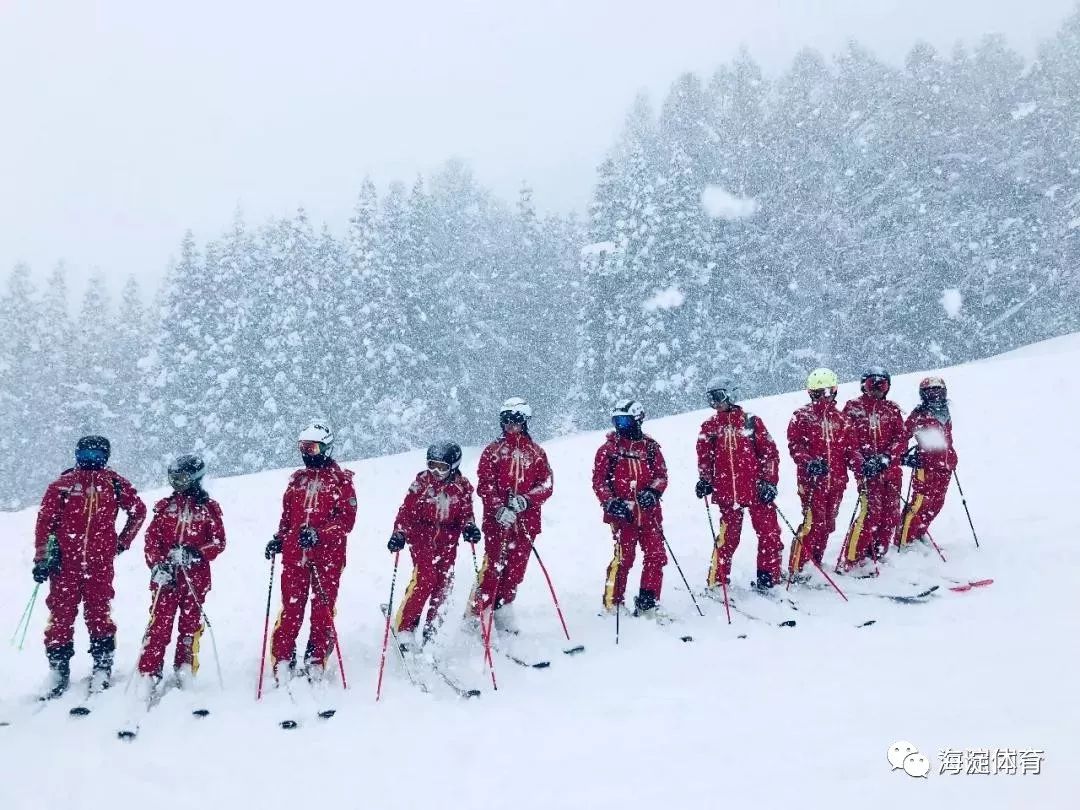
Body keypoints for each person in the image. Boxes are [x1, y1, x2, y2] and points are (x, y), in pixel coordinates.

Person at [32, 435, 146, 698]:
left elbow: (138, 511)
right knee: (61, 615)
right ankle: (58, 668)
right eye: (86, 455)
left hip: (99, 565)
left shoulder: (114, 483)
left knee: (99, 613)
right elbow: (44, 524)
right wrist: (42, 559)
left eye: (97, 456)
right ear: (77, 455)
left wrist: (122, 542)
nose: (91, 461)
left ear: (106, 457)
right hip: (64, 565)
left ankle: (102, 664)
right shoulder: (63, 485)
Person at [264, 424, 356, 685]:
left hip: (327, 558)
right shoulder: (297, 481)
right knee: (292, 609)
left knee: (322, 609)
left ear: (326, 448)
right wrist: (279, 539)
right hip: (295, 557)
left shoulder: (341, 482)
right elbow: (287, 518)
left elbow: (346, 521)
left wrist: (320, 533)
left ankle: (316, 658)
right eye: (303, 448)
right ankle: (283, 657)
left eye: (312, 448)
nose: (307, 454)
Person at [135, 455, 226, 697]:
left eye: (182, 478)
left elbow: (218, 542)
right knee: (159, 625)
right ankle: (149, 671)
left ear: (195, 479)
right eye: (173, 478)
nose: (177, 483)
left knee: (190, 625)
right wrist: (157, 565)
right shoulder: (165, 507)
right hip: (167, 578)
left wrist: (196, 553)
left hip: (195, 579)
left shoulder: (207, 509)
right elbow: (151, 540)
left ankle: (185, 666)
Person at [470, 398, 554, 635]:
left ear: (525, 422)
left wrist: (527, 500)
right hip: (498, 522)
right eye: (506, 421)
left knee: (515, 570)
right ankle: (480, 612)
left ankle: (503, 609)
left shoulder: (536, 452)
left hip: (526, 522)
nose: (510, 425)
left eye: (516, 420)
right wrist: (499, 508)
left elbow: (546, 484)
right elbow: (485, 485)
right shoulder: (493, 451)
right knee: (494, 568)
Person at [388, 442, 480, 650]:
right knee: (425, 578)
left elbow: (466, 512)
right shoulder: (422, 483)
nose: (436, 472)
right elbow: (406, 511)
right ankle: (405, 627)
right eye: (432, 465)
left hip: (447, 541)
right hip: (421, 537)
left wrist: (469, 526)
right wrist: (399, 533)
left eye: (442, 467)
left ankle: (433, 629)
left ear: (454, 466)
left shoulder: (461, 486)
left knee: (444, 583)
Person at [695, 377, 784, 590]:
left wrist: (768, 482)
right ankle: (717, 583)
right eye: (710, 399)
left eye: (718, 397)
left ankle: (768, 578)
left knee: (770, 534)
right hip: (727, 492)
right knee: (728, 539)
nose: (715, 403)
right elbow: (704, 458)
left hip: (756, 489)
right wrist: (705, 481)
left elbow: (769, 454)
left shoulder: (750, 421)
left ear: (731, 395)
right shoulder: (710, 426)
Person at [592, 399, 669, 617]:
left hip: (649, 513)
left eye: (625, 421)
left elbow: (661, 475)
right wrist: (610, 501)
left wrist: (653, 491)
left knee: (656, 555)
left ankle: (648, 600)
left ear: (637, 420)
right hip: (622, 514)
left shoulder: (651, 448)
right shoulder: (609, 450)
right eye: (617, 421)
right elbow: (599, 481)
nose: (620, 427)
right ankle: (613, 603)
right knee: (623, 558)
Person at [786, 369, 855, 583]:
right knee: (812, 523)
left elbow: (850, 449)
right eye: (817, 393)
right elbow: (794, 445)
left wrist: (861, 465)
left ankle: (814, 562)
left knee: (827, 524)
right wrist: (809, 462)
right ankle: (797, 568)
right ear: (810, 393)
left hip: (836, 481)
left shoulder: (842, 418)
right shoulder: (802, 416)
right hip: (812, 482)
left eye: (827, 392)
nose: (823, 397)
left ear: (834, 391)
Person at [838, 366, 907, 573]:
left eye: (882, 385)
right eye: (872, 384)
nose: (877, 389)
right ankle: (852, 559)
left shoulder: (892, 410)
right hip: (868, 472)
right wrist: (862, 463)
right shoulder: (853, 408)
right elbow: (848, 441)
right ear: (863, 385)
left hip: (890, 471)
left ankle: (877, 552)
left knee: (891, 514)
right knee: (871, 513)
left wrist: (887, 457)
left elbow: (901, 438)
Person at [896, 376, 958, 549]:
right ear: (924, 394)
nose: (935, 395)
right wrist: (904, 457)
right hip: (926, 466)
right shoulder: (919, 414)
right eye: (931, 391)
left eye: (938, 390)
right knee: (921, 503)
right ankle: (904, 540)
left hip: (945, 466)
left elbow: (947, 438)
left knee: (937, 503)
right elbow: (902, 436)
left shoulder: (945, 412)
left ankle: (919, 533)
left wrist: (951, 457)